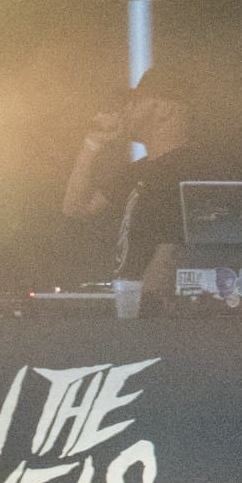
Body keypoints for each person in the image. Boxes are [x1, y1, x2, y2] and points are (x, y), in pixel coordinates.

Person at [61, 66, 197, 319]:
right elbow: (75, 207)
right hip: (131, 306)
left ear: (165, 109)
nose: (126, 109)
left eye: (136, 101)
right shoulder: (139, 171)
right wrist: (92, 143)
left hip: (151, 316)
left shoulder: (189, 168)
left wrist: (142, 314)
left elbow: (171, 250)